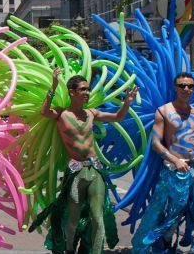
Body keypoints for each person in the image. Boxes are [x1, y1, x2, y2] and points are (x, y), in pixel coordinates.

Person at [33, 68, 137, 253]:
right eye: (83, 89)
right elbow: (43, 112)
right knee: (72, 218)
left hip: (95, 170)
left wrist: (126, 103)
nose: (87, 93)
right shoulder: (61, 114)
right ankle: (69, 249)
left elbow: (118, 117)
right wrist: (54, 85)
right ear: (72, 92)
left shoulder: (91, 114)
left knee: (97, 217)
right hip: (75, 172)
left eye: (88, 89)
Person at [132, 73, 194, 253]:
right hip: (175, 170)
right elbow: (156, 143)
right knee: (173, 215)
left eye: (190, 86)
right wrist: (174, 160)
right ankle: (165, 244)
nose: (186, 89)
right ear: (175, 88)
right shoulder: (164, 111)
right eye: (182, 86)